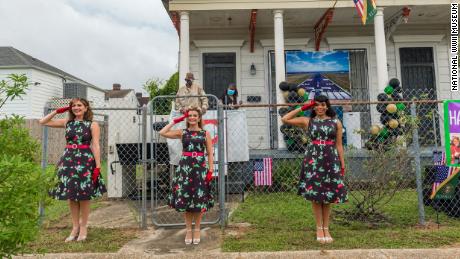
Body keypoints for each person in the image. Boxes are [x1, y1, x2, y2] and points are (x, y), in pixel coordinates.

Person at [281, 95, 347, 244]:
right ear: (313, 107)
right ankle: (319, 228)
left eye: (323, 105)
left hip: (331, 159)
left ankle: (326, 228)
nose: (320, 107)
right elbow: (285, 119)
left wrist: (342, 163)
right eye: (316, 105)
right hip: (313, 160)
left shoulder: (336, 122)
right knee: (316, 195)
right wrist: (304, 107)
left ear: (327, 106)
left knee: (328, 194)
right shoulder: (307, 121)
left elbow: (339, 145)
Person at [39, 98, 106, 242]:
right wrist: (57, 111)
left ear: (86, 108)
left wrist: (98, 166)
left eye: (79, 105)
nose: (76, 108)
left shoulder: (92, 124)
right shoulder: (67, 122)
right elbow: (42, 122)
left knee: (84, 195)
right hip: (68, 160)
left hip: (85, 160)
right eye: (73, 106)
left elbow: (95, 145)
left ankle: (83, 227)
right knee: (71, 195)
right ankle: (74, 227)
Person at [159, 106, 214, 245]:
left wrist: (211, 169)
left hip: (200, 168)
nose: (192, 118)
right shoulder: (182, 133)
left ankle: (197, 229)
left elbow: (210, 152)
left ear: (199, 118)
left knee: (199, 199)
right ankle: (188, 230)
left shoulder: (205, 133)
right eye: (190, 116)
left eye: (195, 115)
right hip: (185, 168)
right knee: (186, 199)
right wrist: (176, 120)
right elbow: (162, 132)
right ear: (187, 118)